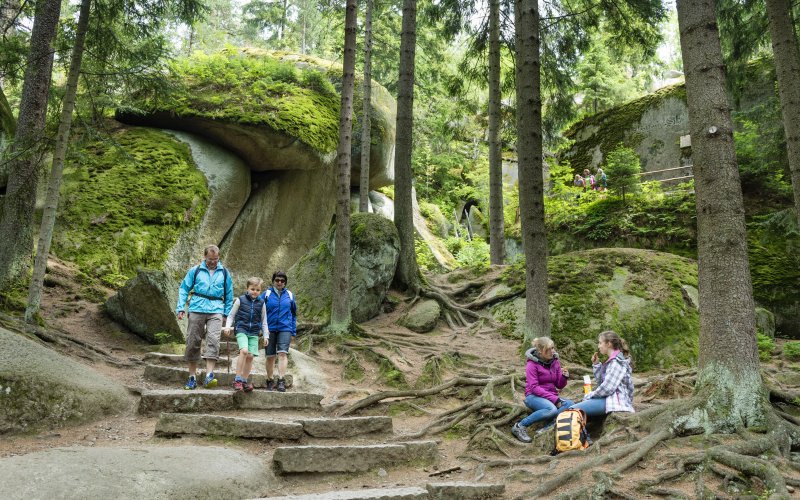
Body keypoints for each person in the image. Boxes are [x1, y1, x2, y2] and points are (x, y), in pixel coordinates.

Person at [175, 245, 234, 390]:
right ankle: (192, 377)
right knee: (193, 340)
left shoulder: (224, 273)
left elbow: (229, 294)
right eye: (210, 259)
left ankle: (209, 376)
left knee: (213, 340)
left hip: (216, 309)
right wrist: (181, 307)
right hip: (197, 307)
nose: (213, 262)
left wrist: (226, 313)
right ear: (205, 257)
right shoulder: (195, 271)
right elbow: (184, 288)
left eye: (216, 259)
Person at [510, 337, 574, 443]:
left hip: (550, 395)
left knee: (570, 404)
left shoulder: (555, 361)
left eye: (553, 348)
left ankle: (546, 429)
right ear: (540, 351)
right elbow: (534, 387)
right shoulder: (532, 364)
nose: (552, 351)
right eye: (548, 349)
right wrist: (555, 400)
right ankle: (519, 426)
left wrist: (564, 377)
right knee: (551, 409)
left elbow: (559, 384)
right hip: (533, 396)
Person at [570, 330, 635, 418]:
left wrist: (589, 395)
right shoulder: (613, 360)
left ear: (609, 344)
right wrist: (596, 364)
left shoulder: (617, 362)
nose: (598, 346)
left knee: (571, 411)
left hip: (614, 402)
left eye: (600, 343)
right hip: (608, 400)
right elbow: (602, 382)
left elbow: (607, 388)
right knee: (574, 411)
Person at [223, 277, 268, 392]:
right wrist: (228, 326)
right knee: (244, 351)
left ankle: (244, 380)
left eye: (258, 290)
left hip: (254, 332)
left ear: (260, 291)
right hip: (241, 329)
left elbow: (264, 321)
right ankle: (237, 379)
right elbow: (231, 315)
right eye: (252, 289)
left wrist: (266, 335)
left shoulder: (262, 303)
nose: (255, 292)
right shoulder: (240, 300)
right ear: (247, 288)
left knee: (250, 356)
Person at [261, 271, 297, 392]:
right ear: (273, 281)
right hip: (269, 328)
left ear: (285, 282)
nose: (279, 282)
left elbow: (293, 314)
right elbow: (258, 309)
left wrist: (293, 331)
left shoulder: (290, 295)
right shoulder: (266, 294)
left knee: (282, 354)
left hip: (285, 328)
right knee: (270, 356)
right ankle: (270, 380)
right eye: (277, 280)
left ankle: (281, 380)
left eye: (282, 280)